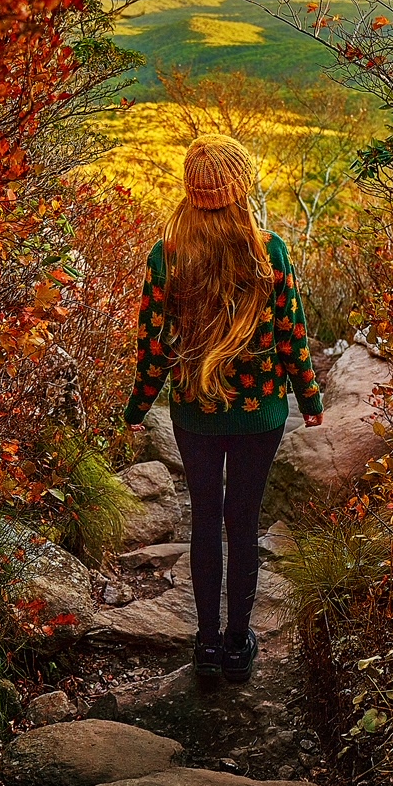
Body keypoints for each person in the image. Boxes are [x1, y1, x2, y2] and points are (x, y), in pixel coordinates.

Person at [124, 134, 324, 683]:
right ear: (241, 187)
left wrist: (138, 407)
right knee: (244, 521)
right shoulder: (269, 249)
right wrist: (309, 398)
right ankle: (240, 640)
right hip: (260, 413)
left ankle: (206, 642)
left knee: (206, 520)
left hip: (195, 412)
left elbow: (153, 344)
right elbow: (292, 333)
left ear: (192, 190)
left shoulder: (167, 255)